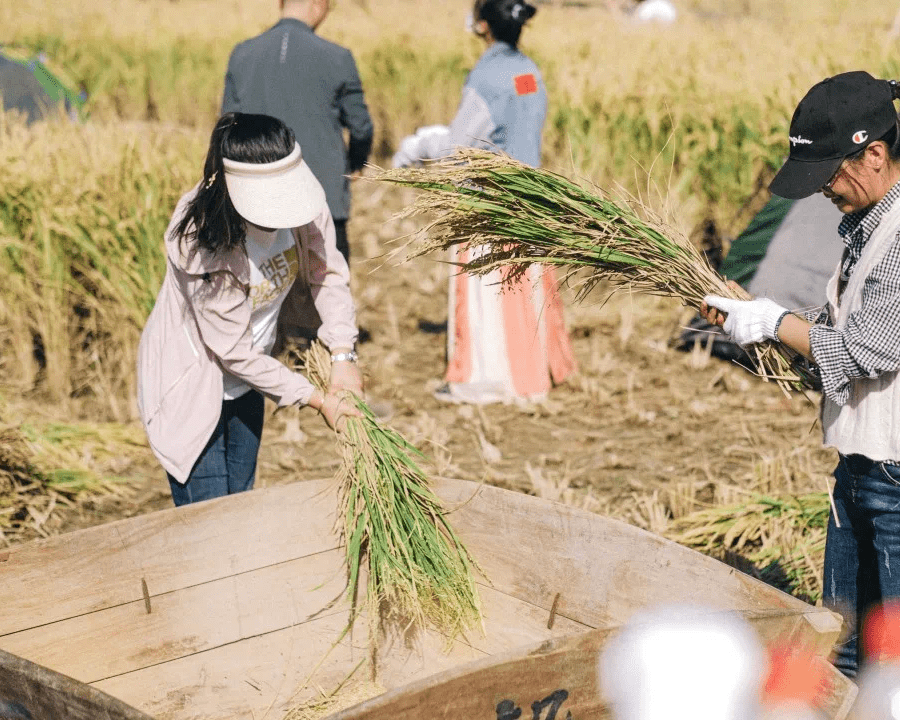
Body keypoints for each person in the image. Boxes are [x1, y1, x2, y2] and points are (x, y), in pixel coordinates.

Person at [700, 71, 900, 719]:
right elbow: (835, 357)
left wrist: (775, 321)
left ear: (874, 154)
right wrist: (759, 332)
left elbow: (867, 351)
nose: (823, 189)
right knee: (848, 659)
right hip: (862, 474)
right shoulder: (867, 230)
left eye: (830, 172)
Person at [137, 113, 362, 506]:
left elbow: (326, 274)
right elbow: (232, 351)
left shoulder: (305, 207)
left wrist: (343, 355)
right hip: (193, 388)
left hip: (251, 383)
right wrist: (316, 398)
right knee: (206, 526)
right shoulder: (201, 240)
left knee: (240, 510)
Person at [393, 0, 578, 405]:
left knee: (487, 293)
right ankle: (534, 370)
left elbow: (462, 144)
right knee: (523, 285)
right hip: (530, 194)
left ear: (482, 26)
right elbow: (517, 118)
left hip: (489, 202)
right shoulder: (528, 71)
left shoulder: (486, 75)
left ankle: (487, 379)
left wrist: (420, 145)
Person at [221, 0, 372, 265]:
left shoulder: (242, 54)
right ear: (318, 4)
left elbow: (226, 130)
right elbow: (361, 127)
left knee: (266, 299)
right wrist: (356, 163)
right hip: (323, 202)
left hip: (257, 204)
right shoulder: (339, 57)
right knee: (327, 295)